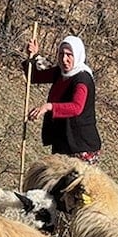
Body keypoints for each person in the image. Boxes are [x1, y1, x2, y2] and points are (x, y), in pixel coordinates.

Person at [25, 34, 102, 163]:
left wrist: (49, 107)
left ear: (77, 55)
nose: (64, 59)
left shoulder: (82, 79)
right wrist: (33, 56)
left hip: (81, 147)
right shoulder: (60, 72)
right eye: (61, 54)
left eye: (69, 55)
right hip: (63, 142)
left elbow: (76, 107)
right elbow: (35, 77)